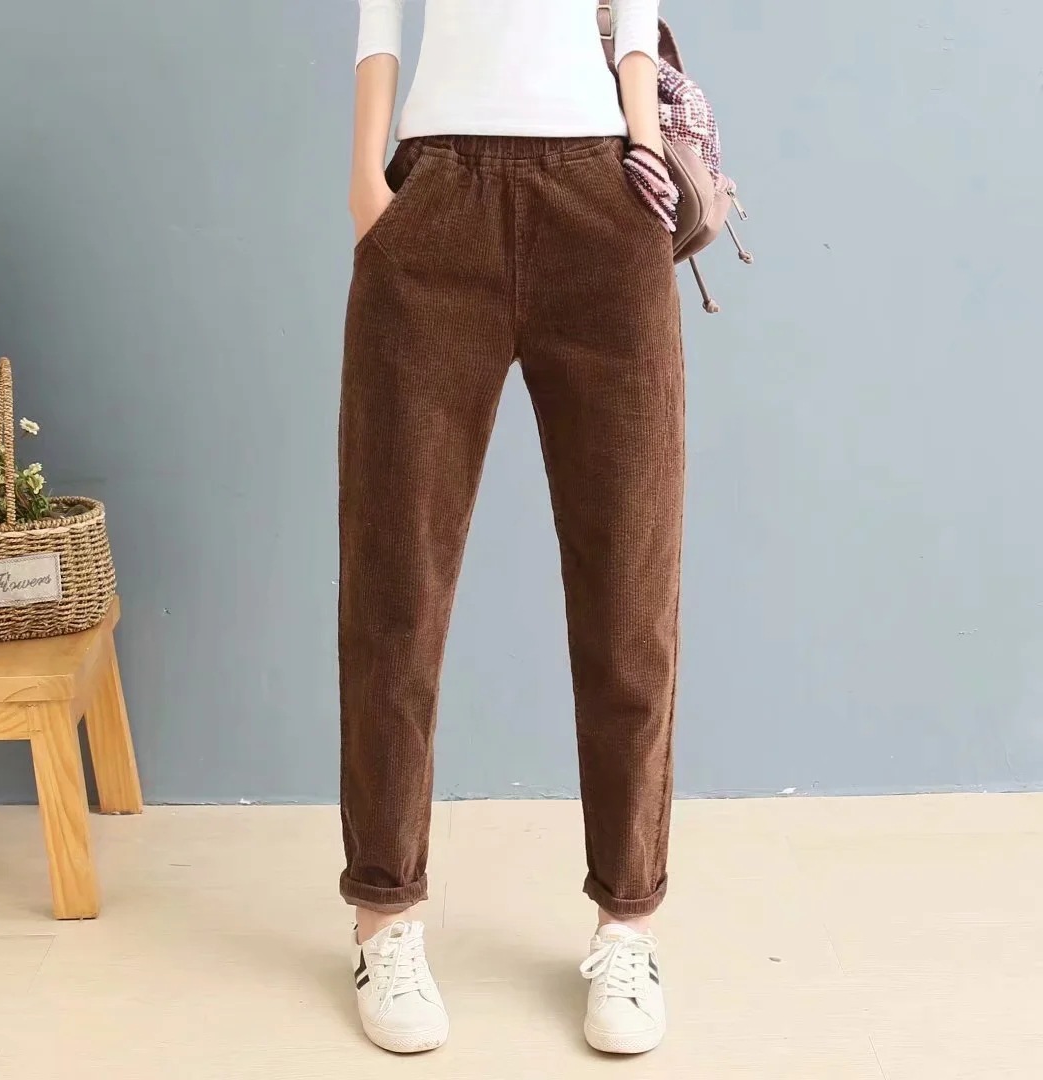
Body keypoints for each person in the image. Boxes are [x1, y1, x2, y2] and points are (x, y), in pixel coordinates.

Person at [341, 0, 683, 1056]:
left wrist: (647, 152)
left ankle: (628, 924)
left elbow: (635, 19)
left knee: (631, 588)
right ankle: (384, 915)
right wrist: (367, 182)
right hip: (435, 194)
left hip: (603, 198)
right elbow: (377, 17)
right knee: (395, 583)